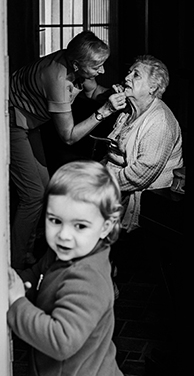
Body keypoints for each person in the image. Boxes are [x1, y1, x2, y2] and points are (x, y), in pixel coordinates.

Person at [8, 31, 126, 269]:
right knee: (32, 194)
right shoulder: (58, 80)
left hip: (30, 123)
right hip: (9, 120)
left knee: (43, 188)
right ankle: (14, 264)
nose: (102, 71)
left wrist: (117, 94)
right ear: (76, 64)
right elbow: (68, 136)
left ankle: (26, 252)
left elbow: (94, 90)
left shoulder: (77, 64)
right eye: (97, 66)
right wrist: (104, 111)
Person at [7, 160, 124, 376]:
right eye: (55, 220)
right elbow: (37, 275)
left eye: (79, 225)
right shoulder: (61, 253)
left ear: (105, 228)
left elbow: (61, 341)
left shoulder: (88, 279)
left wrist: (17, 303)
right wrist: (16, 283)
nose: (64, 235)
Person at [104, 55, 183, 231]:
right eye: (129, 73)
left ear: (152, 87)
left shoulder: (160, 122)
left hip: (144, 194)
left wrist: (101, 184)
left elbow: (141, 174)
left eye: (136, 75)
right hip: (113, 182)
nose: (127, 78)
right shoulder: (129, 111)